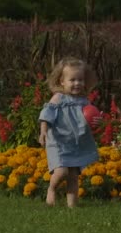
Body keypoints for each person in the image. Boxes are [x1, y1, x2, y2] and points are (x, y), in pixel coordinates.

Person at [38, 57, 100, 207]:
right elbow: (46, 115)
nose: (77, 83)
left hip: (76, 143)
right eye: (72, 80)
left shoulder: (84, 101)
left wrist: (98, 122)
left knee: (73, 176)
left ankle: (72, 206)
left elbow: (90, 118)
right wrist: (43, 131)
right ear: (62, 81)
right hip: (59, 142)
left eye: (80, 80)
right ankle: (52, 189)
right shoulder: (58, 98)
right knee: (61, 172)